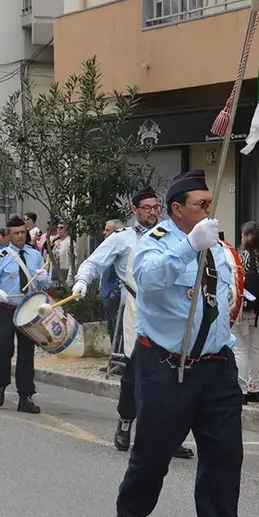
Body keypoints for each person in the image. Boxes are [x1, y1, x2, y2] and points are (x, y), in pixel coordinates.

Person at [109, 170, 259, 517]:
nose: (209, 211)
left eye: (210, 204)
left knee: (225, 452)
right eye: (201, 204)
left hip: (215, 367)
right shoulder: (157, 244)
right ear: (177, 210)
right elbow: (147, 282)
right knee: (153, 453)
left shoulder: (217, 247)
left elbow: (222, 302)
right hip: (166, 366)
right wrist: (187, 249)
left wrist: (227, 347)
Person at [72, 187, 193, 458]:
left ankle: (170, 436)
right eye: (147, 207)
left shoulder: (171, 235)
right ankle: (126, 420)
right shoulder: (122, 239)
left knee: (175, 376)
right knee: (135, 373)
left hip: (170, 310)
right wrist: (82, 281)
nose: (152, 211)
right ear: (135, 211)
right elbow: (94, 262)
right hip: (138, 310)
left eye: (155, 207)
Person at [0, 215, 51, 414]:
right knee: (4, 351)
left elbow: (44, 284)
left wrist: (45, 279)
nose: (20, 236)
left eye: (22, 232)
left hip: (29, 311)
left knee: (27, 354)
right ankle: (0, 386)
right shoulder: (0, 257)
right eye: (16, 233)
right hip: (8, 309)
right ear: (8, 235)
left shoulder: (35, 254)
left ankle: (25, 396)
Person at [233, 221, 259, 403]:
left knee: (240, 350)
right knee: (255, 349)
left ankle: (241, 391)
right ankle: (254, 389)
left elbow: (238, 280)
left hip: (245, 309)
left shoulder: (245, 255)